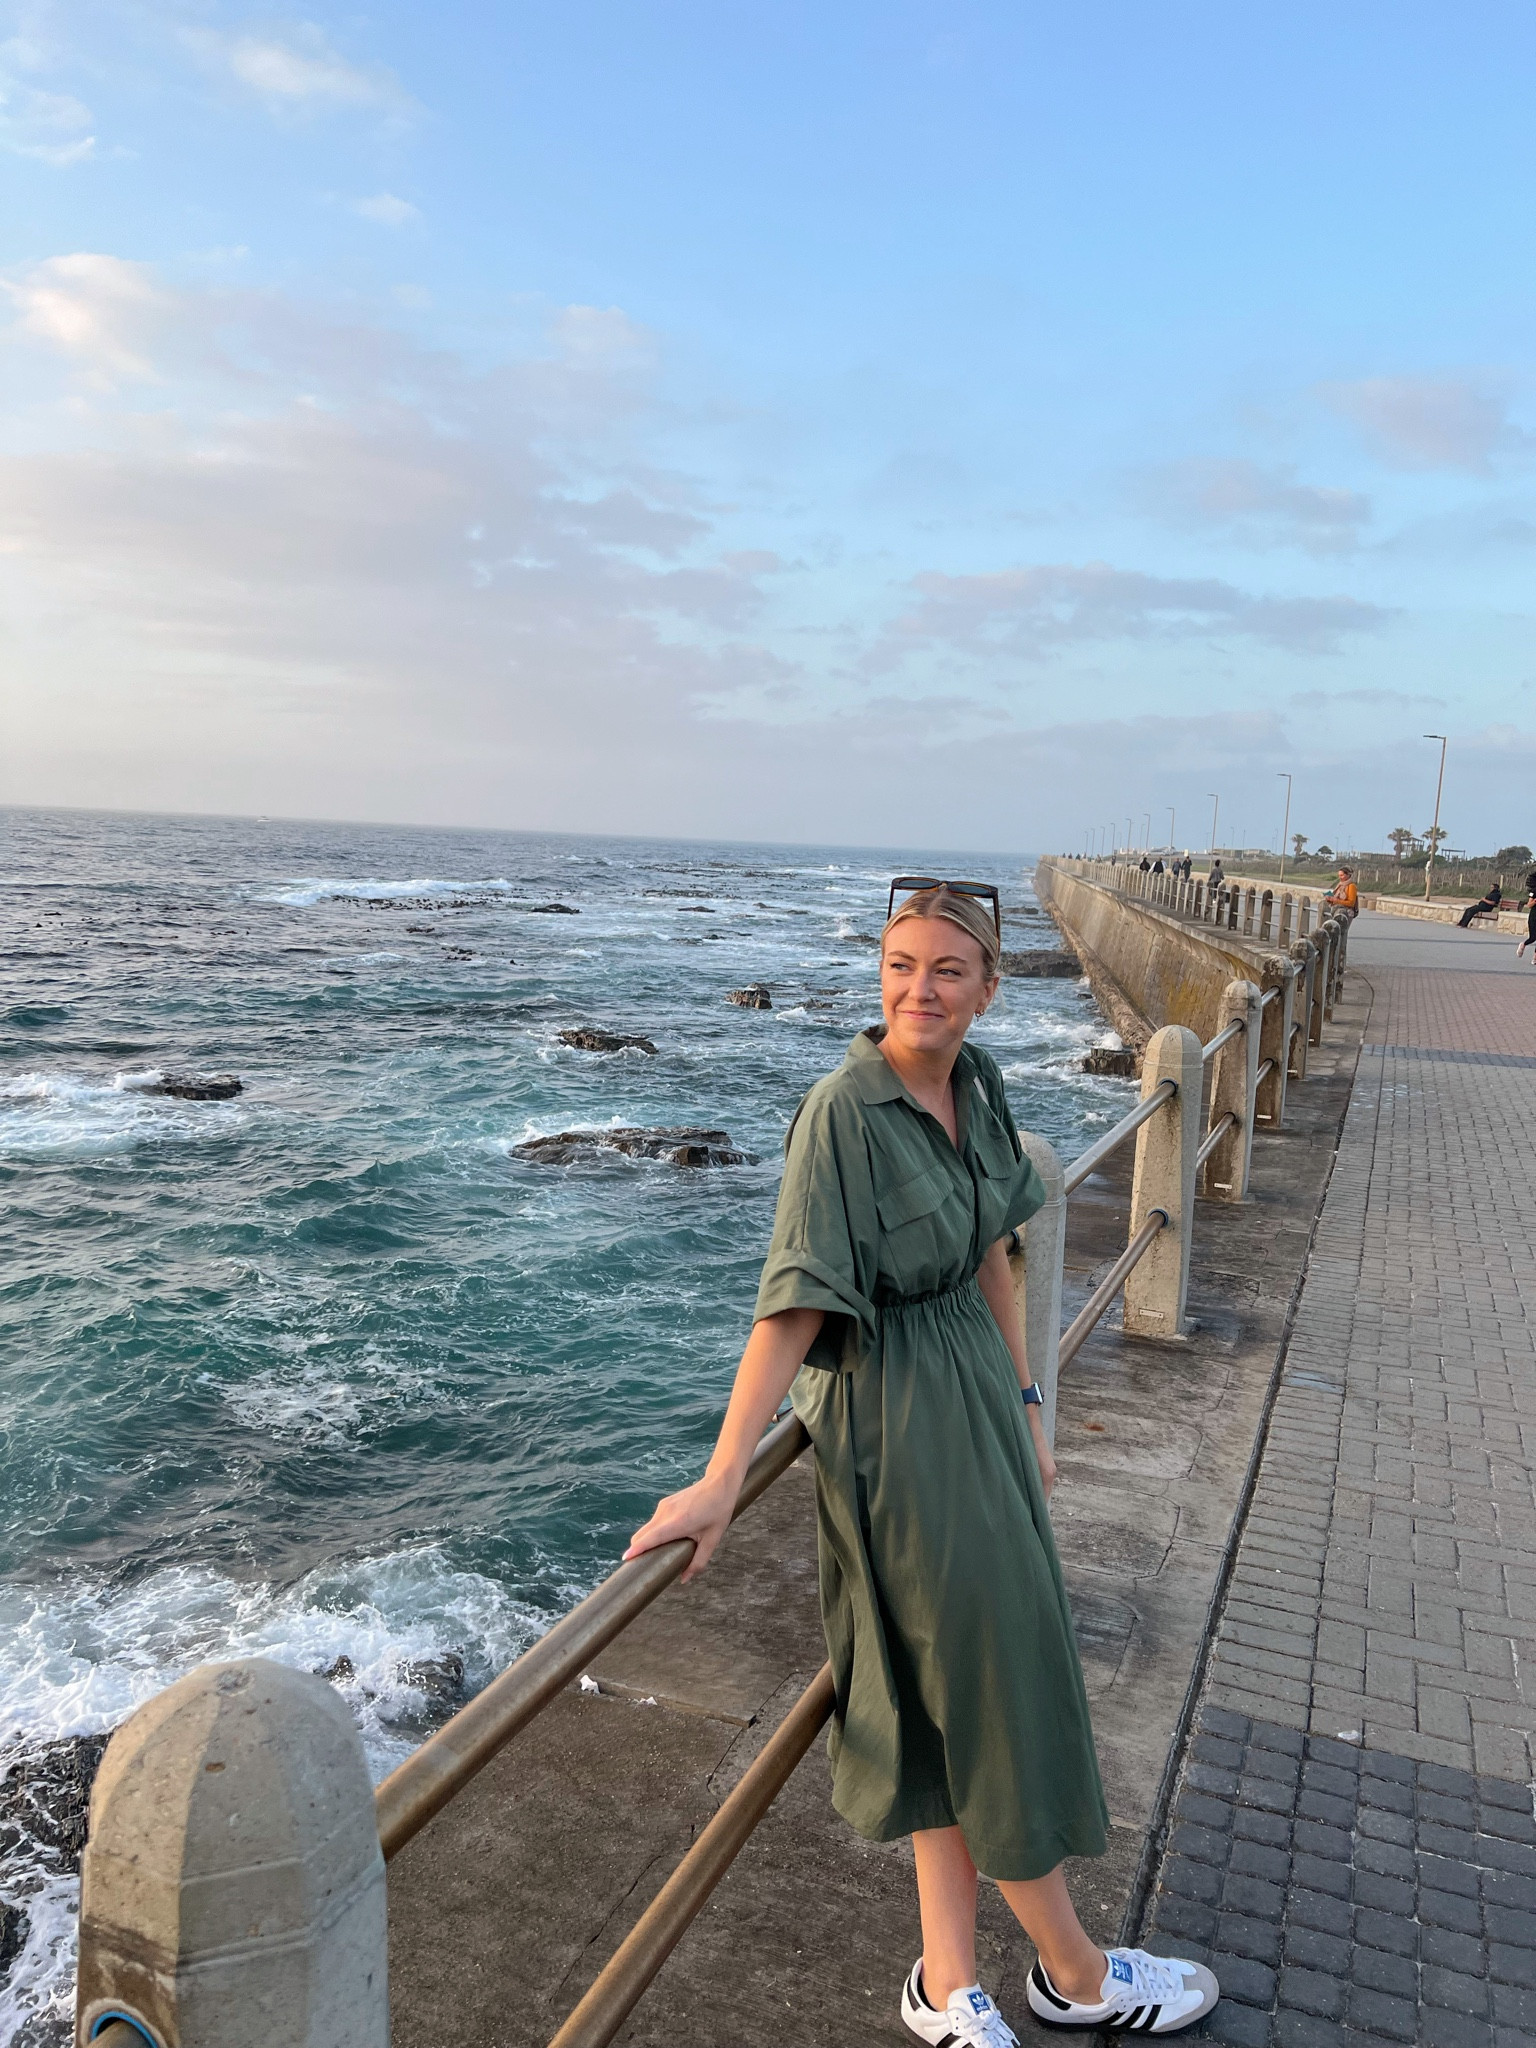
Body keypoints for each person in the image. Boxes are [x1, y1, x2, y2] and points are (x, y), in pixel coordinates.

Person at [627, 881, 1220, 2043]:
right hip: (894, 1417)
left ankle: (949, 1980)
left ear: (989, 986)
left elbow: (995, 1248)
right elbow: (793, 1304)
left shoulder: (977, 1082)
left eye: (949, 967)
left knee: (971, 1685)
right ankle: (1076, 1970)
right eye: (902, 963)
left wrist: (1029, 1396)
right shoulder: (841, 1112)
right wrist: (718, 1477)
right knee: (987, 1682)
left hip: (977, 1400)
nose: (920, 987)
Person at [1516, 869, 1536, 962]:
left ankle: (1535, 958)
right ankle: (1523, 944)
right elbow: (1529, 905)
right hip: (1534, 917)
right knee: (1533, 938)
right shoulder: (1534, 891)